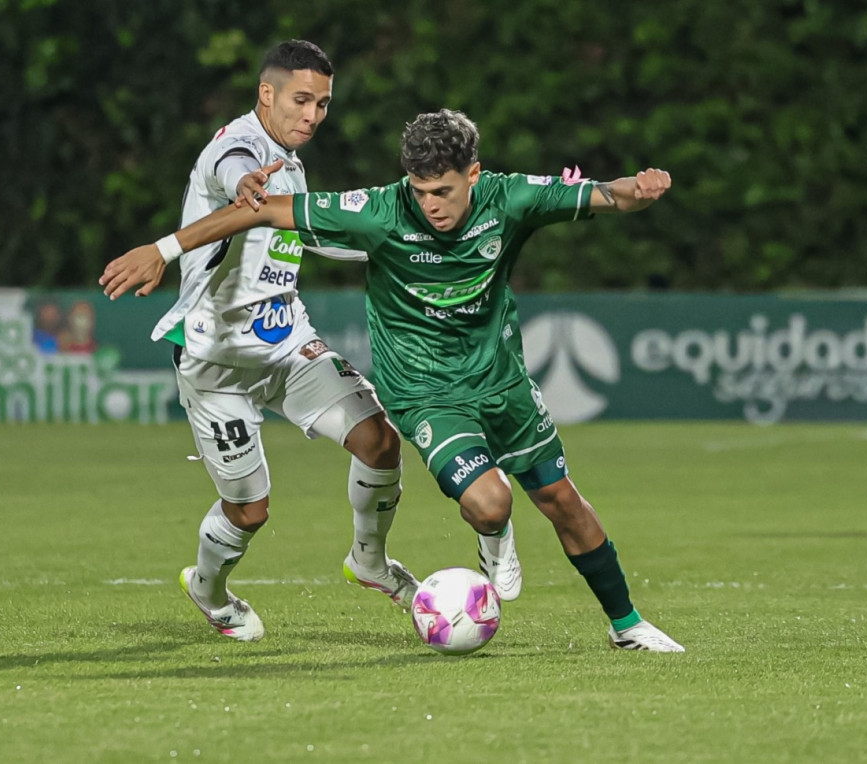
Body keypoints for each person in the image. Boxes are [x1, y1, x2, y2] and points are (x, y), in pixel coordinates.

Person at [102, 108, 685, 652]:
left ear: (473, 175)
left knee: (563, 501)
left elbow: (607, 194)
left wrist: (640, 189)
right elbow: (259, 209)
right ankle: (492, 533)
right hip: (424, 392)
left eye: (443, 191)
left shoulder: (511, 198)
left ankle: (628, 626)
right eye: (420, 191)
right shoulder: (378, 210)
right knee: (490, 503)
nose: (430, 205)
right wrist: (163, 249)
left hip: (502, 381)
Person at [118, 40, 419, 643]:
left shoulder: (290, 162)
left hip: (287, 346)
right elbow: (235, 173)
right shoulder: (236, 147)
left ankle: (369, 561)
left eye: (323, 104)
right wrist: (240, 188)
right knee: (250, 510)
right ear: (266, 93)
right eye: (301, 100)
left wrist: (394, 244)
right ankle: (208, 589)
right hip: (215, 361)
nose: (313, 115)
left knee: (380, 441)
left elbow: (311, 233)